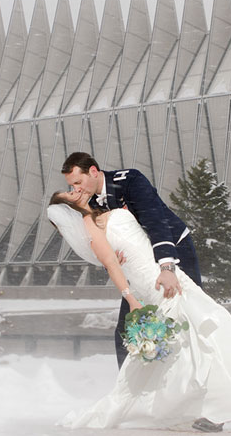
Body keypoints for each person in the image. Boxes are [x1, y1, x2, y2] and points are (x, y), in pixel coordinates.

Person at [48, 191, 231, 432]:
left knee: (199, 340)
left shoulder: (107, 211)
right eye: (69, 194)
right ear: (69, 208)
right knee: (214, 326)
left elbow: (140, 235)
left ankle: (224, 399)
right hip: (155, 284)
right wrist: (131, 299)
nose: (75, 190)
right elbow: (112, 264)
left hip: (168, 275)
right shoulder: (89, 224)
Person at [61, 152, 203, 369]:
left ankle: (200, 377)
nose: (76, 189)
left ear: (93, 171)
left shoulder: (130, 181)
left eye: (78, 182)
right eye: (72, 186)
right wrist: (111, 254)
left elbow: (156, 221)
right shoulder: (89, 204)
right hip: (139, 264)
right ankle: (131, 389)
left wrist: (167, 267)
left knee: (190, 316)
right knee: (128, 328)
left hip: (174, 250)